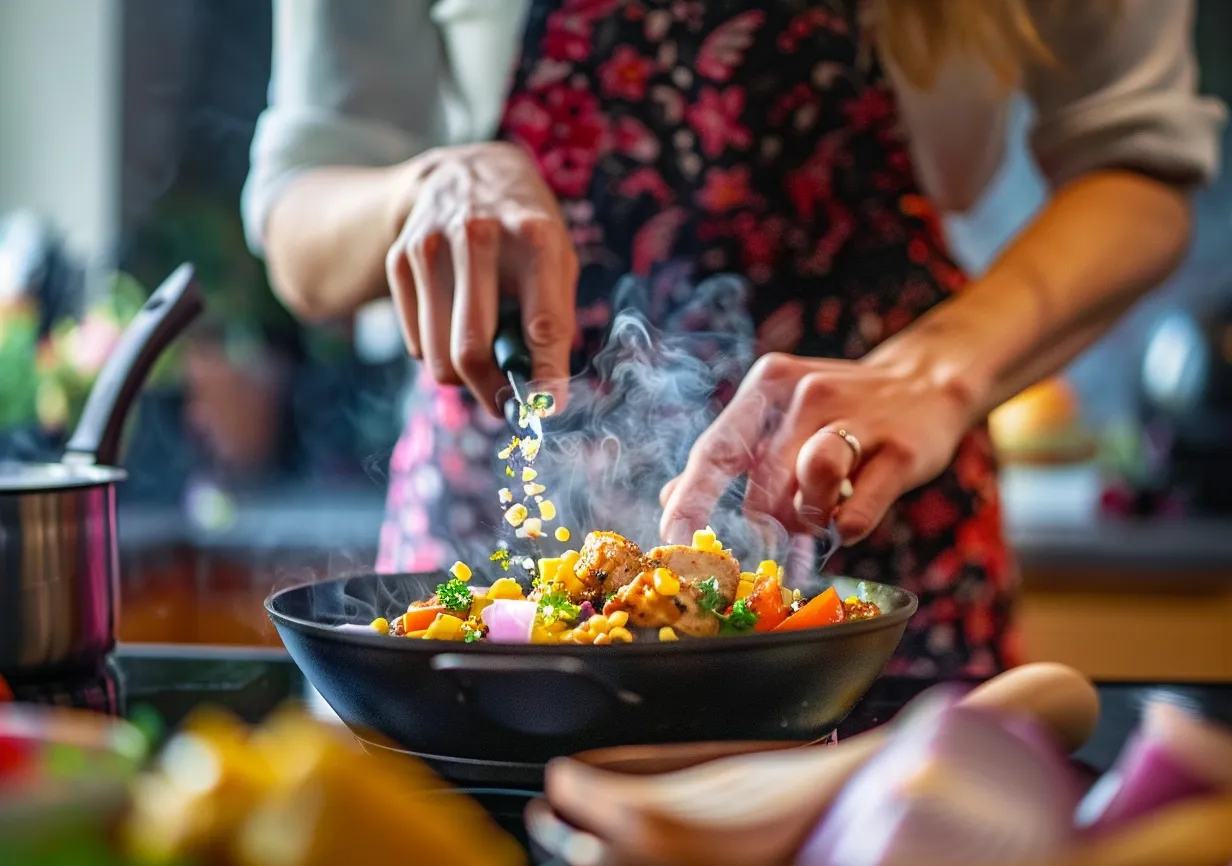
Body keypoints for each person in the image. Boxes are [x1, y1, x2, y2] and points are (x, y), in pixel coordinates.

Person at [242, 0, 1223, 678]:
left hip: (870, 496)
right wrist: (422, 191)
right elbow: (299, 217)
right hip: (491, 517)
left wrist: (935, 370)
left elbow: (1136, 163)